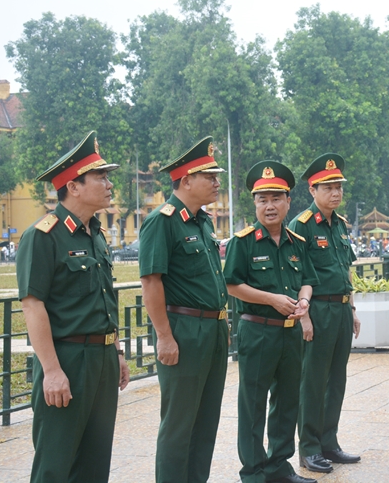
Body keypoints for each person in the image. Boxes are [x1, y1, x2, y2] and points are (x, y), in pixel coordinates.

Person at [16, 130, 130, 483]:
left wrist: (118, 352)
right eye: (101, 177)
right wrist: (51, 370)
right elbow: (33, 305)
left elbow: (103, 299)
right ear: (74, 186)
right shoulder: (43, 236)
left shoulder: (96, 234)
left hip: (102, 360)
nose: (110, 184)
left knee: (95, 462)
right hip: (67, 359)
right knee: (56, 461)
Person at [139, 136, 230, 483]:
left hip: (213, 329)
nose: (217, 182)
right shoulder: (161, 221)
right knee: (179, 423)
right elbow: (151, 282)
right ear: (186, 180)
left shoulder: (202, 222)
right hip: (184, 330)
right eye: (210, 176)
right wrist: (164, 336)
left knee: (206, 420)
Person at [224, 161, 318, 483]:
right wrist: (272, 299)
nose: (269, 206)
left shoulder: (297, 243)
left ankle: (279, 466)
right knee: (253, 405)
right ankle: (253, 472)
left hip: (290, 334)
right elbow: (232, 284)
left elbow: (307, 279)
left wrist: (303, 300)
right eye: (262, 199)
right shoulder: (244, 241)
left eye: (276, 198)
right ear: (254, 203)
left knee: (287, 402)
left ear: (289, 201)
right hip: (258, 331)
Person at [290, 154, 361, 474]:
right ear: (313, 190)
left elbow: (345, 270)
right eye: (328, 187)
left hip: (341, 309)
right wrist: (303, 316)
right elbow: (294, 275)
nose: (336, 193)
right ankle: (309, 448)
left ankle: (329, 442)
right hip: (316, 309)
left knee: (336, 379)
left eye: (339, 187)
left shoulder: (341, 225)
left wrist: (353, 308)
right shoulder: (301, 225)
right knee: (312, 381)